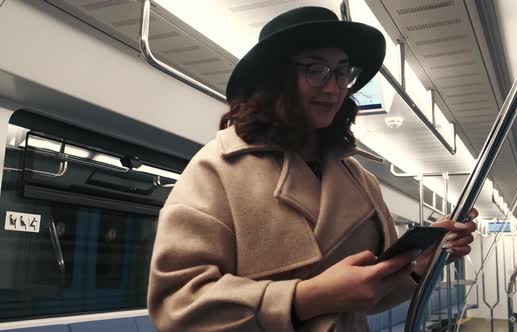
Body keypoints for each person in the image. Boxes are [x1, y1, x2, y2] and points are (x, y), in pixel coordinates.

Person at [147, 6, 477, 332]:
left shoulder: (361, 181)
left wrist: (419, 265)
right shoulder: (216, 169)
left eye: (342, 71)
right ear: (274, 77)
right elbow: (178, 307)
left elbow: (370, 295)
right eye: (315, 70)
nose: (334, 88)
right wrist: (309, 298)